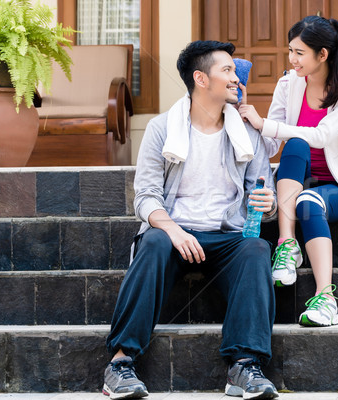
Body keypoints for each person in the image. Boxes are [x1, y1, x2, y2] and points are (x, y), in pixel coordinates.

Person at [102, 40, 279, 400]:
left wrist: (268, 202)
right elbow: (146, 196)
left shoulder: (247, 132)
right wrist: (173, 230)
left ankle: (244, 366)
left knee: (257, 248)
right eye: (227, 71)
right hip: (174, 232)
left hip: (226, 235)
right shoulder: (162, 128)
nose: (236, 80)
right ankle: (119, 365)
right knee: (153, 241)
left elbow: (265, 195)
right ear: (201, 78)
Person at [239, 16, 338, 328]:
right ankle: (287, 244)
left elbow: (322, 134)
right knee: (295, 146)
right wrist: (247, 119)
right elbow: (272, 144)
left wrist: (265, 123)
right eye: (290, 50)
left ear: (322, 55)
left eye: (299, 52)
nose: (291, 59)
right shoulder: (288, 83)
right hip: (297, 175)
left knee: (308, 200)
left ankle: (325, 299)